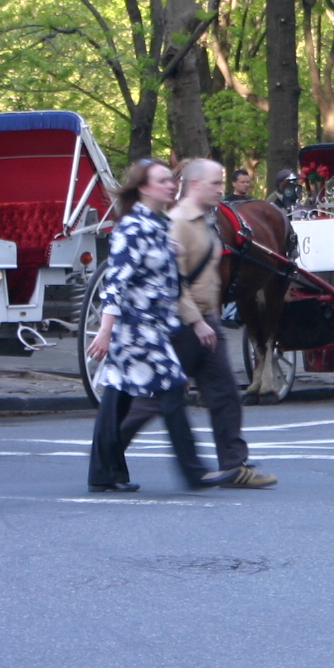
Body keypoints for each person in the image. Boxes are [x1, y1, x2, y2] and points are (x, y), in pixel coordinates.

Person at [86, 160, 239, 493]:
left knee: (117, 398)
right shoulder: (132, 227)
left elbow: (160, 275)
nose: (171, 185)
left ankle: (103, 472)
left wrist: (169, 251)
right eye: (162, 181)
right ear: (143, 188)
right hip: (137, 329)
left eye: (172, 180)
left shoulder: (156, 225)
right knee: (171, 390)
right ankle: (194, 472)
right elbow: (115, 283)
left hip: (153, 326)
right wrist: (105, 331)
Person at [121, 157, 274, 487]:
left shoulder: (205, 221)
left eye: (221, 183)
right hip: (184, 326)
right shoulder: (178, 223)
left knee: (225, 394)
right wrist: (197, 321)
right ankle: (107, 453)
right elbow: (173, 283)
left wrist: (209, 320)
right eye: (215, 183)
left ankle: (234, 465)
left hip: (205, 322)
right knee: (153, 401)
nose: (221, 189)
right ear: (195, 185)